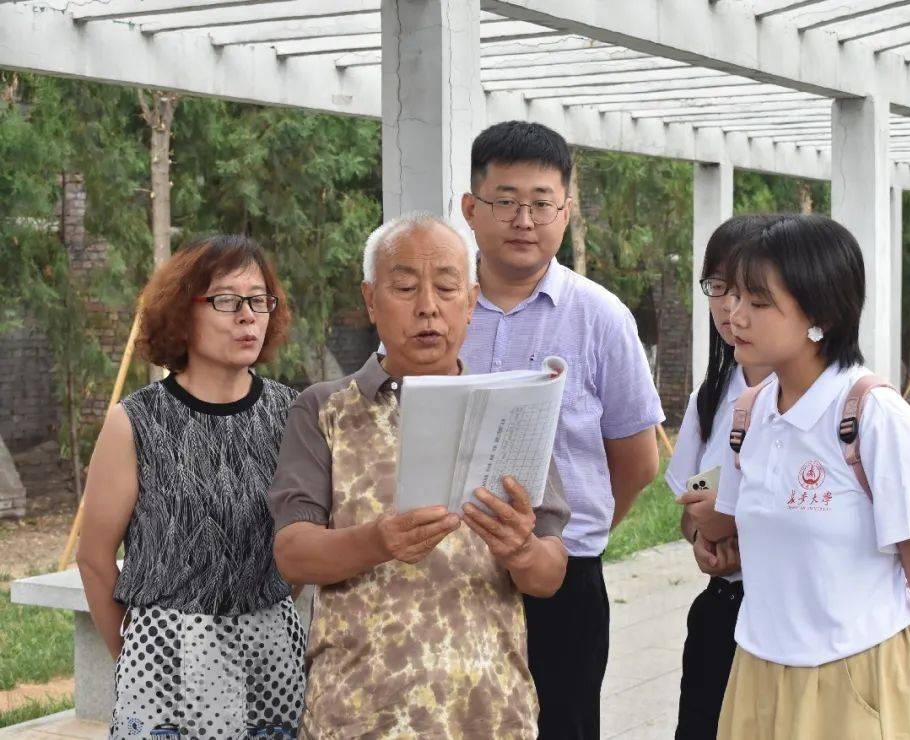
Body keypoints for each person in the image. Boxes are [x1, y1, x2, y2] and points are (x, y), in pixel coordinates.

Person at [269, 212, 570, 738]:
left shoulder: (514, 406)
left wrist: (521, 551)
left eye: (447, 286)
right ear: (370, 300)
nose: (428, 306)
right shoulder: (324, 410)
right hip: (359, 714)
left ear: (471, 300)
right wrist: (377, 540)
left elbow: (549, 574)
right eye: (404, 286)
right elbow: (292, 554)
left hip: (489, 714)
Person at [698, 214, 910, 738]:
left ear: (819, 314)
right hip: (757, 671)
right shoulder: (748, 414)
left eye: (758, 302)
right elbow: (721, 518)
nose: (735, 316)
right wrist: (706, 530)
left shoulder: (876, 419)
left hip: (859, 675)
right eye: (732, 298)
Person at [459, 121, 665, 739]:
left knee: (563, 726)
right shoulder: (441, 304)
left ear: (566, 212)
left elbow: (637, 461)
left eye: (542, 203)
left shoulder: (601, 317)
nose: (524, 218)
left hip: (563, 578)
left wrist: (575, 530)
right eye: (505, 201)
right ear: (471, 209)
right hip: (448, 569)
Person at [77, 235, 306, 738]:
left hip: (270, 654)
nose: (247, 315)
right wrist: (139, 653)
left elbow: (303, 540)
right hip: (165, 659)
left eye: (258, 299)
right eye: (226, 299)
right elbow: (94, 558)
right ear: (183, 312)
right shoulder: (135, 422)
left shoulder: (293, 414)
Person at [664, 215, 779, 739]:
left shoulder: (828, 403)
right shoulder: (712, 398)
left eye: (751, 294)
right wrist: (703, 537)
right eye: (719, 289)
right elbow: (697, 492)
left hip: (789, 618)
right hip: (724, 612)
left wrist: (736, 526)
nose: (731, 311)